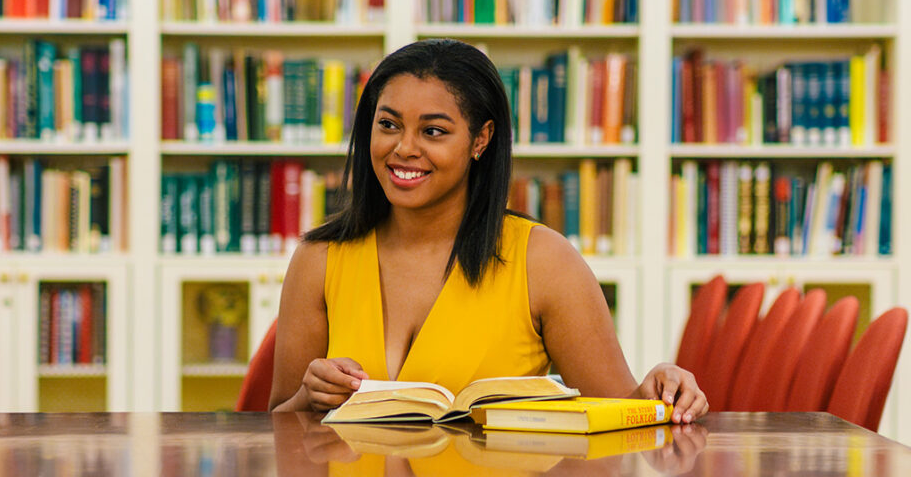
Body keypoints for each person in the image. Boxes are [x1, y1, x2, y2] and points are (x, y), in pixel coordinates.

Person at [268, 39, 708, 424]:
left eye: (433, 131)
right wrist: (310, 398)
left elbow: (620, 411)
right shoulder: (319, 259)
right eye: (388, 125)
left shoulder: (543, 261)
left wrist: (666, 387)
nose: (403, 148)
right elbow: (274, 424)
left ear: (481, 140)